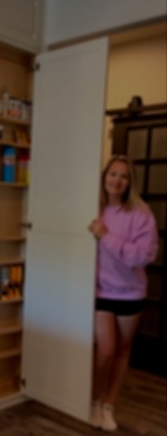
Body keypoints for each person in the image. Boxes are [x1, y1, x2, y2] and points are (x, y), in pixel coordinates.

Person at [88, 155, 158, 432]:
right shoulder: (93, 208)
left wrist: (105, 236)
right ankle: (94, 401)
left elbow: (143, 256)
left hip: (130, 294)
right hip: (100, 291)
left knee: (122, 352)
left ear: (130, 182)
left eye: (124, 176)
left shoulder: (141, 213)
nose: (117, 180)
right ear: (104, 177)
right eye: (113, 174)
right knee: (105, 352)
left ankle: (109, 405)